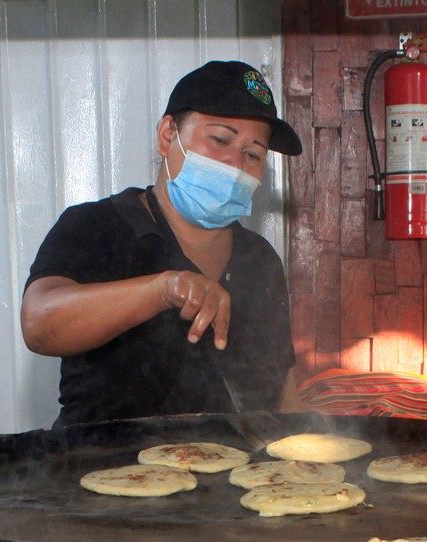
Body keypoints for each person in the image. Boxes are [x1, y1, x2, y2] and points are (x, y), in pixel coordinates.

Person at [21, 61, 303, 428]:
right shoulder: (96, 226)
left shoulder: (259, 258)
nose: (235, 164)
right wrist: (163, 289)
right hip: (97, 471)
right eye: (220, 139)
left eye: (253, 154)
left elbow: (284, 389)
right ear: (168, 134)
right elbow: (39, 323)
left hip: (231, 477)